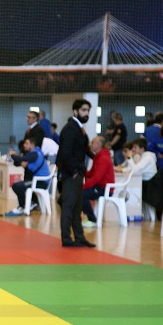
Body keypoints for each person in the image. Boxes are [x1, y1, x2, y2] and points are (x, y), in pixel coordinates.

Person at [56, 99, 95, 248]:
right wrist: (73, 172)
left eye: (88, 111)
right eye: (84, 110)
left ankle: (79, 237)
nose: (87, 113)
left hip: (78, 173)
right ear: (75, 111)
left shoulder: (79, 129)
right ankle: (66, 238)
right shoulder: (70, 129)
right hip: (71, 174)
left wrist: (96, 157)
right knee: (68, 206)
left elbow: (84, 148)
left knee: (77, 207)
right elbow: (65, 154)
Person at [6, 137, 50, 216]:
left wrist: (13, 155)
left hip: (41, 182)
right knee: (17, 185)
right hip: (37, 180)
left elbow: (21, 159)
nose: (24, 145)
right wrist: (19, 159)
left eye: (26, 143)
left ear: (32, 145)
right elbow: (19, 163)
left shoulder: (35, 154)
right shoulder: (33, 154)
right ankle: (26, 205)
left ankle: (25, 205)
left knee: (18, 186)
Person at [81, 136, 115, 228]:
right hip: (99, 187)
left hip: (104, 189)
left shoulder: (103, 158)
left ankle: (92, 219)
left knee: (81, 194)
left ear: (99, 145)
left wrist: (83, 187)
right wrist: (81, 171)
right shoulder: (97, 157)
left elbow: (96, 178)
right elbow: (91, 173)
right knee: (79, 193)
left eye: (92, 142)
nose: (90, 144)